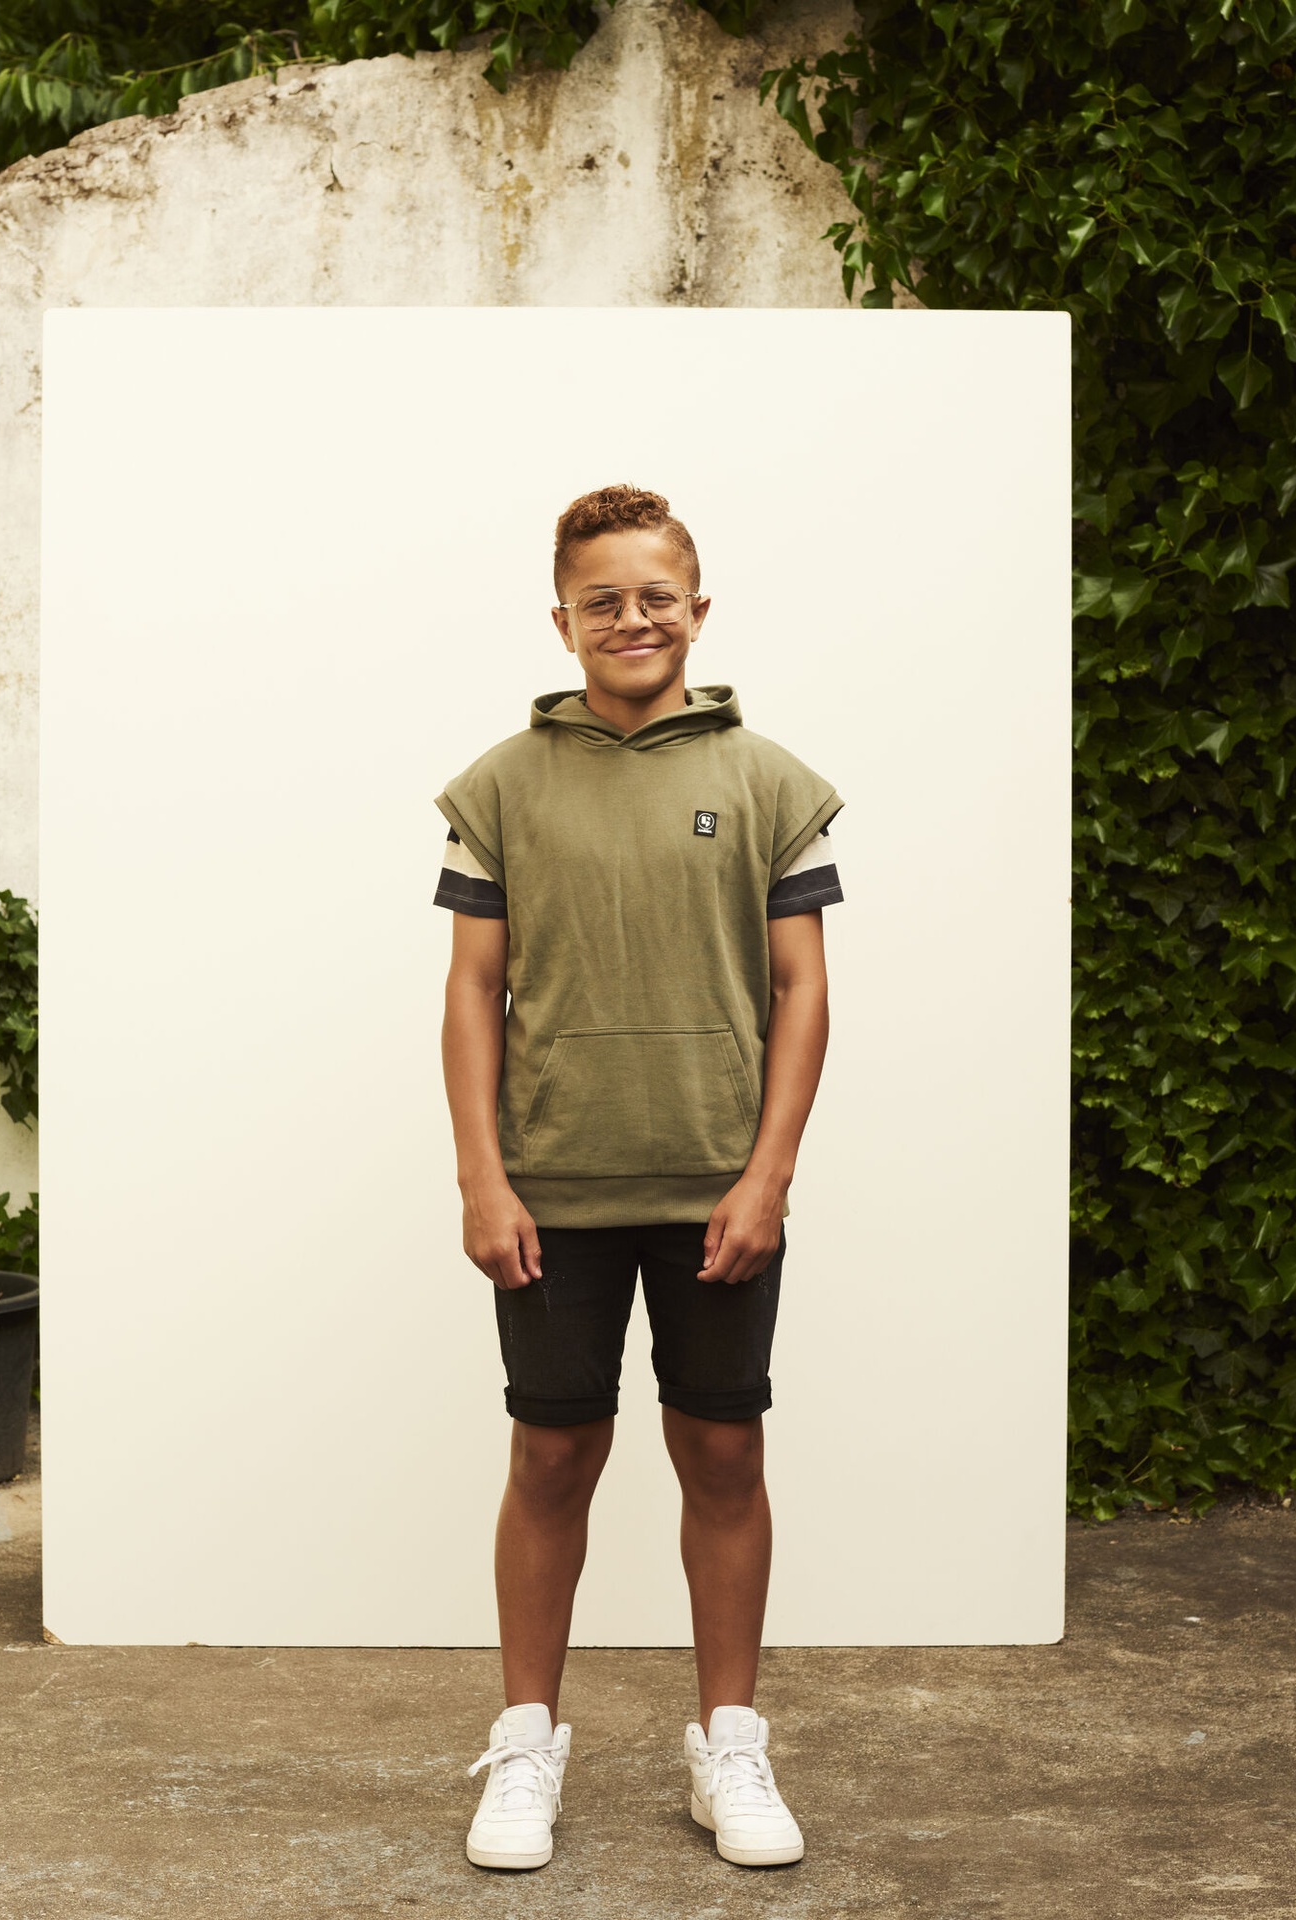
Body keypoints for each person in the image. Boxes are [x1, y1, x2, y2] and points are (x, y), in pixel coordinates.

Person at [433, 483, 844, 1872]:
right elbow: (472, 990)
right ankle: (525, 1744)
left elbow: (802, 990)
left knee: (724, 1452)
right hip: (553, 1189)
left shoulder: (771, 784)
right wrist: (483, 1178)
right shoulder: (499, 787)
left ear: (698, 610)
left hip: (719, 1188)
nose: (631, 618)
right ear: (561, 620)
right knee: (552, 1455)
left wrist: (768, 1175)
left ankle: (731, 1743)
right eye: (600, 599)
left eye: (655, 595)